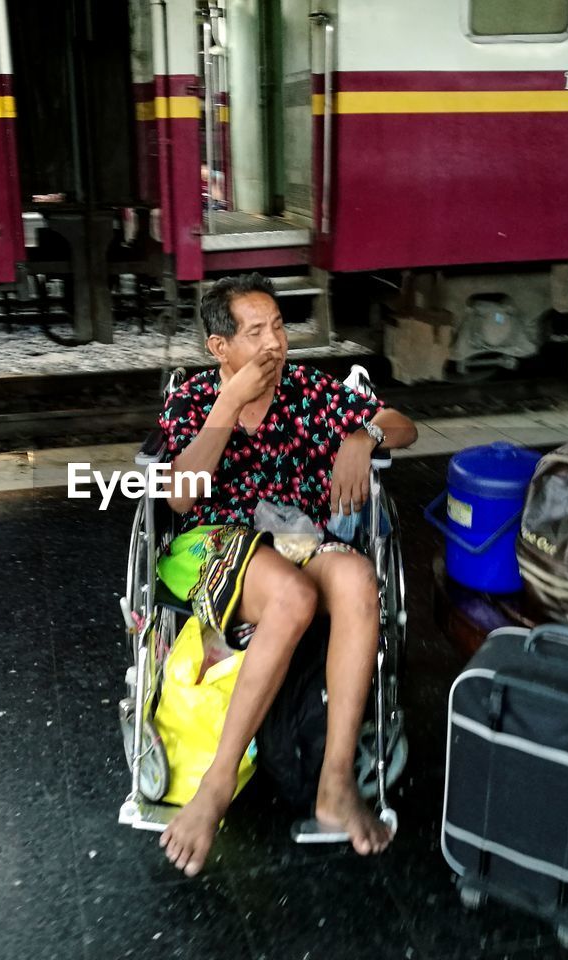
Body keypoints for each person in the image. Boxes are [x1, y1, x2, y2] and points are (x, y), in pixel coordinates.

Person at [155, 273, 418, 877]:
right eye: (255, 332)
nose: (275, 343)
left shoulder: (307, 390)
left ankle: (334, 786)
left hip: (296, 538)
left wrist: (363, 435)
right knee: (295, 595)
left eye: (278, 326)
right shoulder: (194, 399)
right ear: (220, 348)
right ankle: (216, 786)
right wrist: (227, 403)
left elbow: (403, 424)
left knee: (355, 578)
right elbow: (179, 498)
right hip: (210, 544)